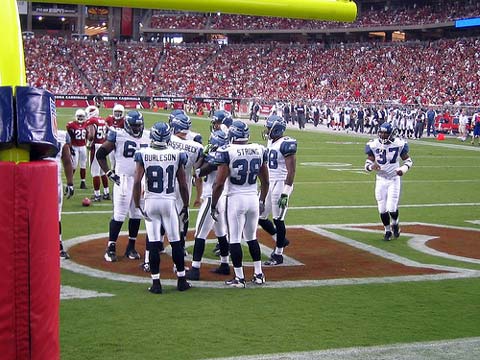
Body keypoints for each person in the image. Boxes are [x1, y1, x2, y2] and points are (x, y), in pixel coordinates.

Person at [133, 122, 191, 293]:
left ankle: (156, 283)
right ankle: (181, 280)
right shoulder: (176, 154)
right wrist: (186, 204)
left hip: (151, 201)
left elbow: (136, 182)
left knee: (153, 243)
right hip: (168, 201)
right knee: (175, 242)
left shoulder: (143, 154)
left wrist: (137, 203)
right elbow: (183, 183)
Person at [211, 120, 269, 288]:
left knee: (235, 239)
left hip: (235, 198)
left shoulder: (227, 151)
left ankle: (239, 277)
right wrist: (262, 199)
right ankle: (259, 274)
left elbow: (219, 182)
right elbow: (265, 180)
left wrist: (213, 204)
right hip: (252, 197)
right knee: (252, 237)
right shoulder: (259, 149)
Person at [96, 110, 150, 262]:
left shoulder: (147, 135)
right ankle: (111, 247)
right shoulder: (118, 135)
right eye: (134, 126)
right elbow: (100, 154)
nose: (137, 129)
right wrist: (109, 173)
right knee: (119, 215)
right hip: (124, 179)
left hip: (140, 180)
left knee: (136, 214)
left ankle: (131, 247)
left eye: (139, 125)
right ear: (127, 125)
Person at [186, 130, 230, 281]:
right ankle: (225, 264)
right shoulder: (228, 153)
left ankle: (195, 269)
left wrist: (202, 157)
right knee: (221, 232)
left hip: (213, 197)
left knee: (200, 233)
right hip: (223, 197)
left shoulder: (216, 156)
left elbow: (198, 172)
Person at [364, 122, 413, 241]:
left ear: (391, 134)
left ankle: (395, 223)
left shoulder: (399, 144)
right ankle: (387, 230)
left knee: (391, 207)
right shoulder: (374, 144)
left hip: (394, 179)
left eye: (386, 133)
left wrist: (403, 169)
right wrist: (371, 167)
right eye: (381, 132)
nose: (383, 135)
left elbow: (409, 161)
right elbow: (367, 164)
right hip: (380, 179)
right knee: (382, 209)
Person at [259, 115, 297, 266]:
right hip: (270, 182)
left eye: (269, 128)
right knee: (260, 216)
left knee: (278, 219)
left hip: (281, 183)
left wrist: (286, 192)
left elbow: (292, 171)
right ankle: (281, 239)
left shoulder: (286, 144)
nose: (267, 131)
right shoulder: (271, 141)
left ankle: (278, 254)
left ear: (276, 129)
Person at [169, 112, 204, 253]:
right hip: (186, 184)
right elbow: (199, 174)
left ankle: (157, 243)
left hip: (166, 183)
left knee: (162, 214)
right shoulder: (197, 147)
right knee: (183, 214)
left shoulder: (167, 139)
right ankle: (181, 246)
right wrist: (198, 195)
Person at [47, 130, 74, 259]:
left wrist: (70, 183)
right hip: (52, 179)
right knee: (55, 215)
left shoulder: (33, 131)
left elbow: (67, 160)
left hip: (39, 179)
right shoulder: (62, 135)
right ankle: (58, 246)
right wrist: (70, 183)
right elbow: (67, 160)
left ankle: (56, 245)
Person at [85, 105, 110, 201]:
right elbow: (108, 132)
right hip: (103, 145)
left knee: (95, 172)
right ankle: (106, 193)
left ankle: (97, 195)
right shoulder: (102, 120)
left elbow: (91, 135)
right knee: (102, 171)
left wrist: (88, 143)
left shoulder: (91, 121)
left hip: (95, 146)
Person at [66, 109, 88, 189]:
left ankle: (83, 182)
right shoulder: (71, 124)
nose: (80, 118)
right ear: (76, 116)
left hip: (83, 146)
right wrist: (70, 147)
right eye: (79, 116)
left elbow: (88, 135)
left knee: (83, 165)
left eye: (82, 116)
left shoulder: (86, 124)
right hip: (75, 146)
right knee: (74, 165)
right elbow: (68, 135)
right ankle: (70, 182)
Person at [105, 104, 126, 169]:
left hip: (120, 144)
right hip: (111, 142)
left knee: (119, 160)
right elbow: (105, 129)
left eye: (119, 112)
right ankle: (113, 171)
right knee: (112, 161)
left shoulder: (124, 120)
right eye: (116, 112)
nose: (117, 114)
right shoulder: (109, 119)